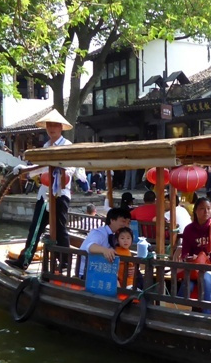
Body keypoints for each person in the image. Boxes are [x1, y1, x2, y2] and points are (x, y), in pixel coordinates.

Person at [12, 109, 76, 270]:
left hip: (60, 193)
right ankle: (24, 260)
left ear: (61, 127)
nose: (52, 128)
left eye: (55, 125)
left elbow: (71, 168)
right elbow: (40, 168)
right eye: (49, 125)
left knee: (60, 228)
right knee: (35, 227)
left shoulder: (67, 146)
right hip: (44, 194)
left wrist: (60, 172)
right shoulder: (46, 146)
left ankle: (65, 263)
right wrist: (25, 170)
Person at [79, 207, 132, 278]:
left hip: (104, 271)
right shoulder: (99, 233)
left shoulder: (118, 236)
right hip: (88, 273)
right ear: (112, 220)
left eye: (128, 223)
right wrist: (105, 250)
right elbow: (90, 246)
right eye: (123, 221)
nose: (126, 225)